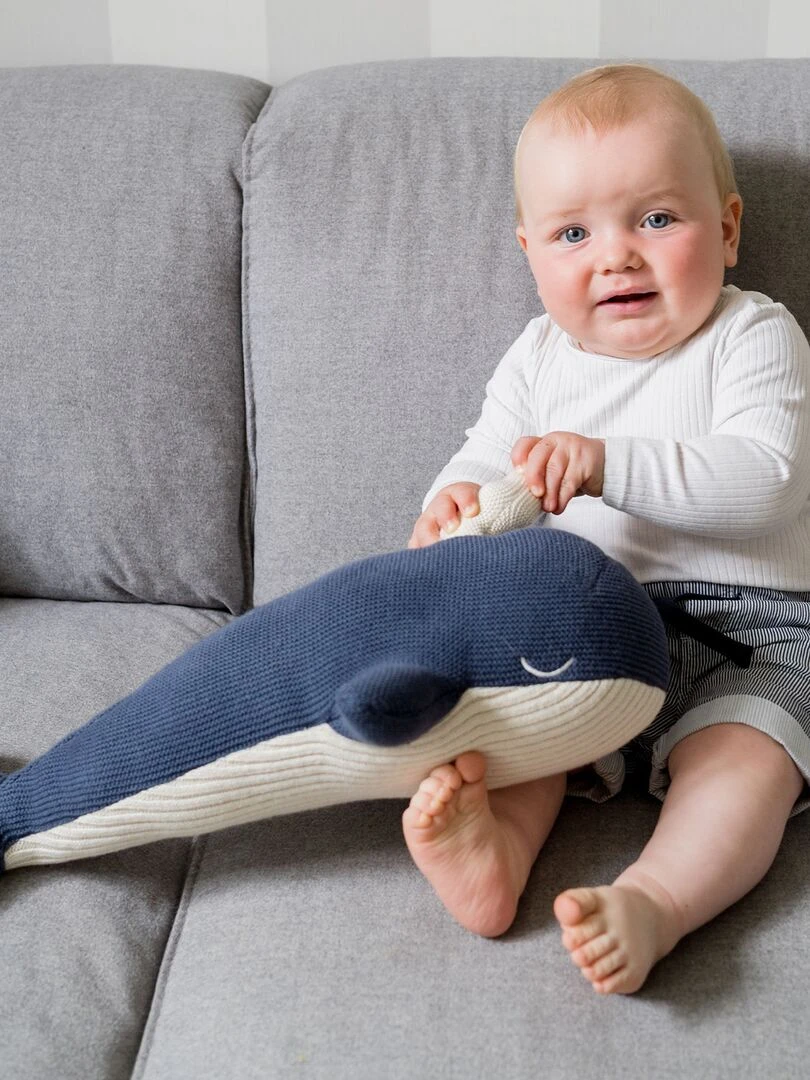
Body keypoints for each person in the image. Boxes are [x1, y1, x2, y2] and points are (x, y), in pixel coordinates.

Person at [402, 62, 810, 995]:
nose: (616, 255)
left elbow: (769, 482)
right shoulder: (540, 356)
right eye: (573, 233)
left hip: (750, 635)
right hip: (584, 632)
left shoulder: (753, 336)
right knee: (522, 731)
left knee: (746, 759)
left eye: (656, 219)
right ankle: (496, 853)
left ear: (730, 228)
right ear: (531, 253)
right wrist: (451, 503)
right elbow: (484, 454)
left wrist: (607, 463)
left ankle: (658, 900)